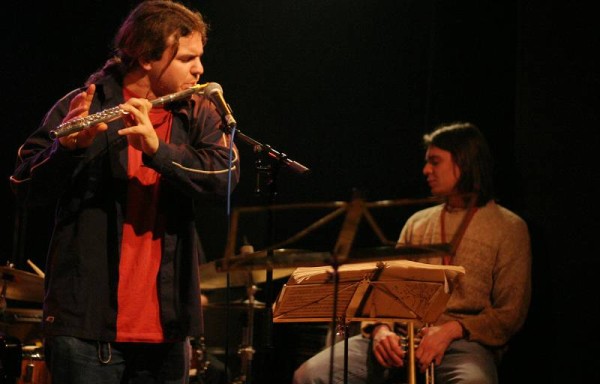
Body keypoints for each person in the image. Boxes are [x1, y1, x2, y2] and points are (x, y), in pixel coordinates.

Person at [9, 1, 240, 383]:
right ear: (148, 58)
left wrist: (158, 152)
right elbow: (23, 186)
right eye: (187, 58)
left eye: (199, 57)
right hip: (86, 326)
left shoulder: (198, 110)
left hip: (167, 329)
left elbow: (224, 178)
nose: (199, 69)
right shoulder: (83, 103)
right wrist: (66, 149)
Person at [292, 122, 531, 384]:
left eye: (435, 162)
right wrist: (382, 329)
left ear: (463, 162)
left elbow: (510, 313)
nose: (426, 170)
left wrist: (451, 330)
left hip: (463, 343)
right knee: (310, 375)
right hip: (401, 338)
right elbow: (385, 292)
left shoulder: (508, 227)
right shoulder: (418, 222)